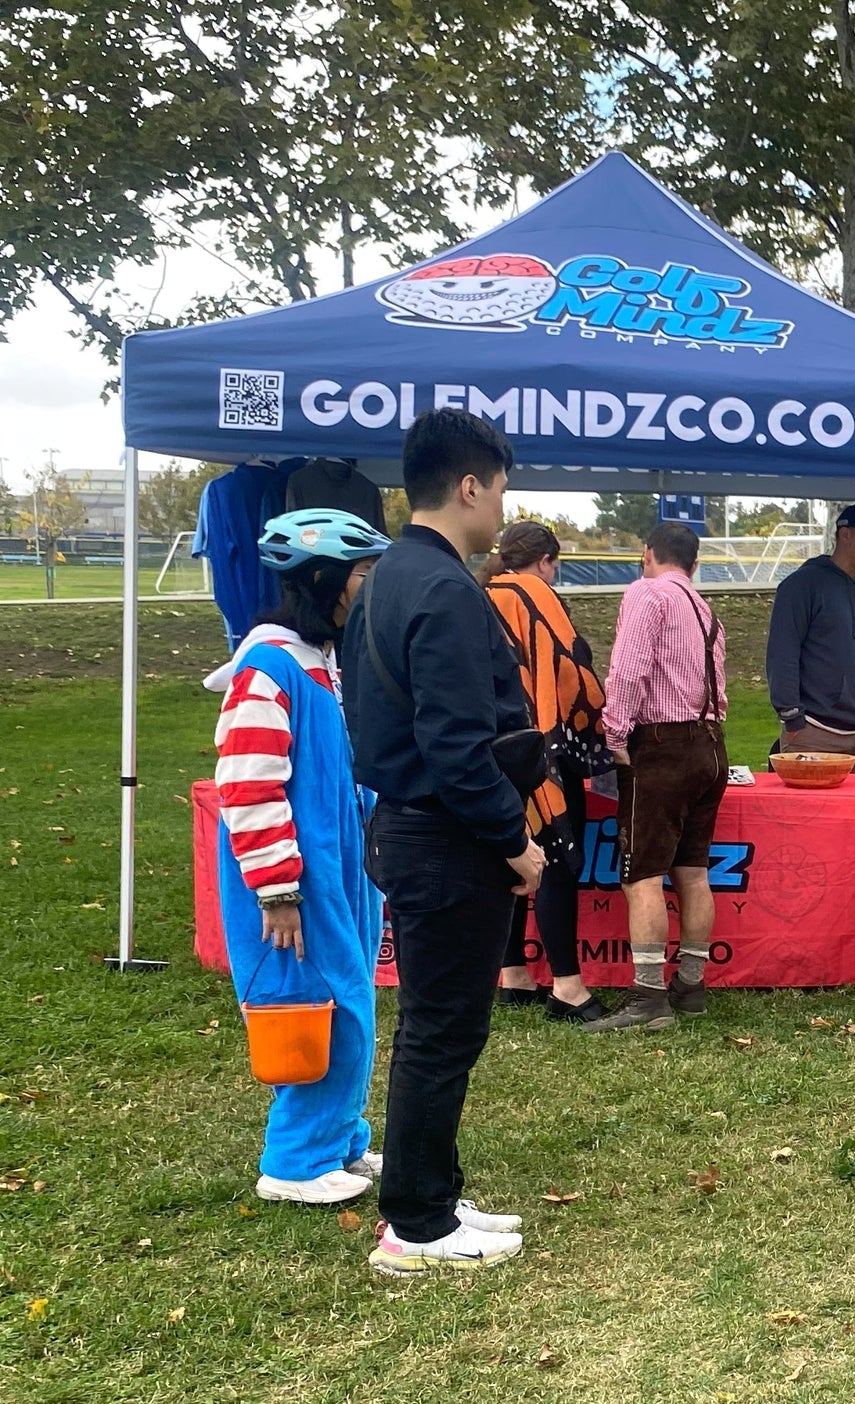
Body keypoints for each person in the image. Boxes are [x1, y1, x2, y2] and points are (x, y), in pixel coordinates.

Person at [345, 408, 541, 1275]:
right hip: (449, 838)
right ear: (469, 486)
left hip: (411, 827)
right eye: (499, 488)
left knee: (440, 1027)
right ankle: (417, 1225)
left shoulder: (386, 576)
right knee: (440, 1031)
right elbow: (458, 751)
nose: (502, 506)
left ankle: (432, 1189)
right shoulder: (447, 589)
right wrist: (516, 843)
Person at [207, 508, 389, 1206]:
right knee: (309, 1006)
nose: (369, 592)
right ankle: (294, 1161)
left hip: (341, 871)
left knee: (350, 1003)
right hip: (297, 882)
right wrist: (277, 888)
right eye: (363, 577)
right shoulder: (268, 665)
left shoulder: (321, 661)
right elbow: (247, 785)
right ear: (324, 580)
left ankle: (339, 1138)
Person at [585, 521, 730, 1032]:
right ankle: (690, 984)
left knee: (642, 871)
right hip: (711, 743)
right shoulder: (704, 609)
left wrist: (616, 737)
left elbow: (627, 670)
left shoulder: (648, 594)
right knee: (692, 868)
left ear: (647, 554)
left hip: (663, 746)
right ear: (694, 563)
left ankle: (648, 998)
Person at [481, 521, 614, 1024]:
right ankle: (568, 987)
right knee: (558, 858)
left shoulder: (479, 593)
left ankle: (513, 973)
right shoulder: (534, 592)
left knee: (513, 856)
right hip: (543, 749)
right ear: (545, 562)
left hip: (491, 748)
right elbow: (572, 664)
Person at [766, 503, 855, 772]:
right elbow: (783, 654)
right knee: (812, 815)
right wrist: (791, 716)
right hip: (815, 732)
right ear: (844, 534)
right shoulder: (801, 586)